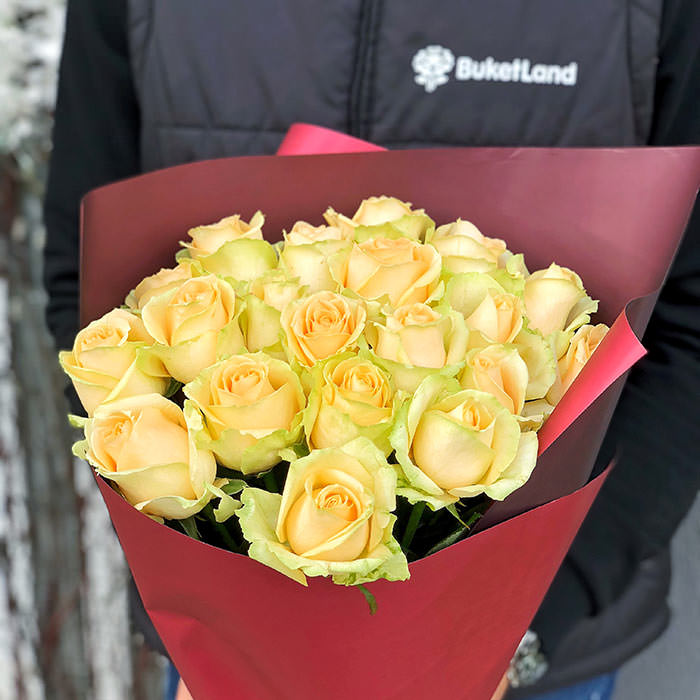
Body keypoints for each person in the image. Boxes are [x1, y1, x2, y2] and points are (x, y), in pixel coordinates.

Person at [43, 1, 699, 699]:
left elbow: (685, 326)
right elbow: (86, 285)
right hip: (226, 655)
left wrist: (523, 625)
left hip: (531, 650)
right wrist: (217, 615)